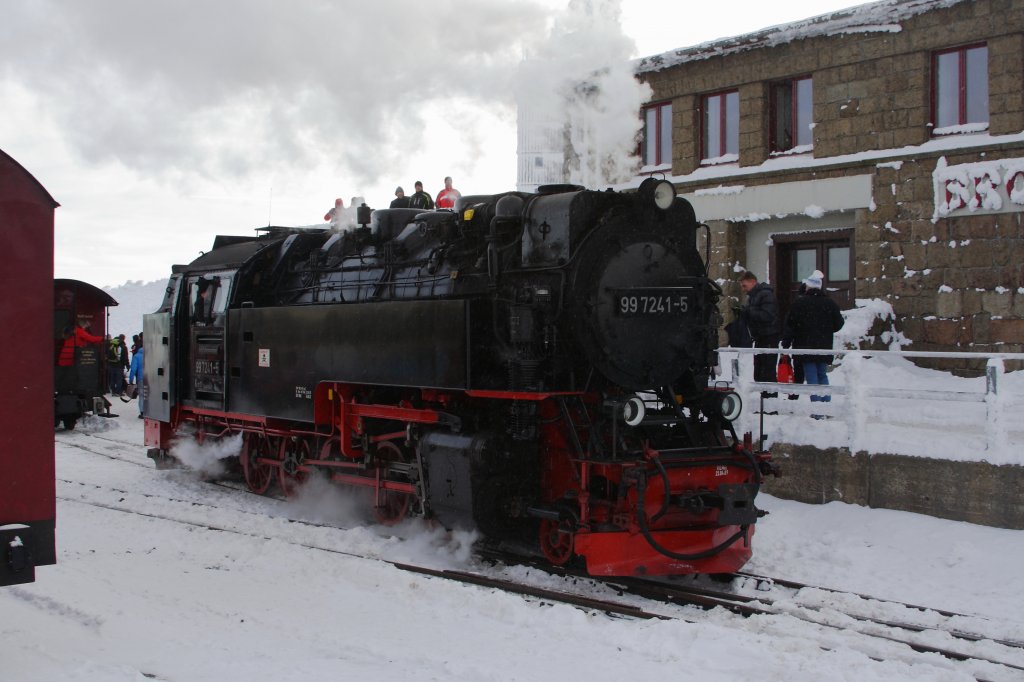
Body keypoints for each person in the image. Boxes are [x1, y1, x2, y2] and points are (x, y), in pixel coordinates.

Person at [782, 270, 845, 406]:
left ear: (807, 287)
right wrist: (827, 330)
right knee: (822, 375)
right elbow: (839, 324)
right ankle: (826, 405)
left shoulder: (799, 304)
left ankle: (817, 410)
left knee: (811, 377)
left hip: (805, 346)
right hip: (824, 346)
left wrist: (786, 343)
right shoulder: (830, 303)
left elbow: (790, 325)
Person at [736, 271, 781, 388]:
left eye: (744, 285)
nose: (743, 289)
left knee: (767, 371)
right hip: (761, 337)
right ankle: (765, 397)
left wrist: (748, 311)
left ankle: (770, 398)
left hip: (769, 337)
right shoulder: (754, 297)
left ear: (753, 282)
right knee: (760, 371)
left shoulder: (765, 295)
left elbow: (768, 315)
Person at [128, 333, 145, 418]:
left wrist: (131, 380)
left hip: (141, 378)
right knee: (150, 395)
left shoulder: (137, 356)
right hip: (151, 378)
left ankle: (142, 412)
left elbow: (133, 369)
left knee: (142, 395)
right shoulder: (150, 355)